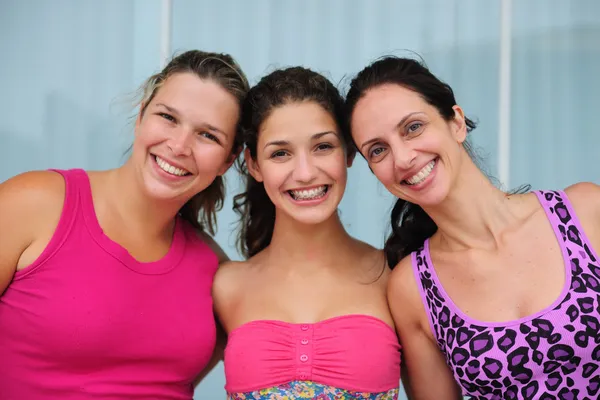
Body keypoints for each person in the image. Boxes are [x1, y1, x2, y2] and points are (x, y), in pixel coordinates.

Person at [346, 55, 600, 399]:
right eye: (378, 150)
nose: (403, 158)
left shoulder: (585, 211)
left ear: (456, 122)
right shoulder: (413, 288)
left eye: (413, 127)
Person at [0, 50, 249, 399]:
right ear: (142, 114)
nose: (179, 145)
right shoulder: (33, 203)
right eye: (168, 117)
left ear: (229, 159)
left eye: (208, 135)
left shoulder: (216, 273)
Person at [212, 66, 401, 400]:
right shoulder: (225, 287)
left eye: (323, 147)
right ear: (254, 164)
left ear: (349, 152)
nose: (305, 172)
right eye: (280, 153)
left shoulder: (396, 279)